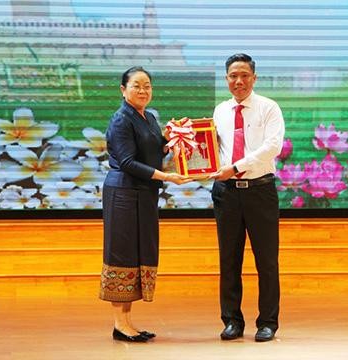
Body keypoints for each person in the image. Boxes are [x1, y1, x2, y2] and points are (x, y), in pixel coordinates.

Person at [100, 66, 191, 343]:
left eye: (147, 86)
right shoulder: (121, 119)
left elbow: (155, 147)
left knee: (139, 255)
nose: (143, 91)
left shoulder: (149, 117)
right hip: (123, 195)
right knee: (123, 255)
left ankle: (127, 322)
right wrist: (167, 177)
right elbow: (127, 162)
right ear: (123, 89)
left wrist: (176, 137)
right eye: (137, 85)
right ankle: (120, 323)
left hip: (144, 194)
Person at [209, 53, 285, 342]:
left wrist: (236, 167)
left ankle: (268, 322)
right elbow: (212, 148)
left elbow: (272, 147)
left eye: (244, 75)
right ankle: (232, 320)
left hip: (260, 191)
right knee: (228, 260)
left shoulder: (268, 108)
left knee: (267, 261)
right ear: (226, 79)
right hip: (226, 194)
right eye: (232, 76)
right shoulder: (220, 111)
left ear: (254, 77)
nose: (238, 81)